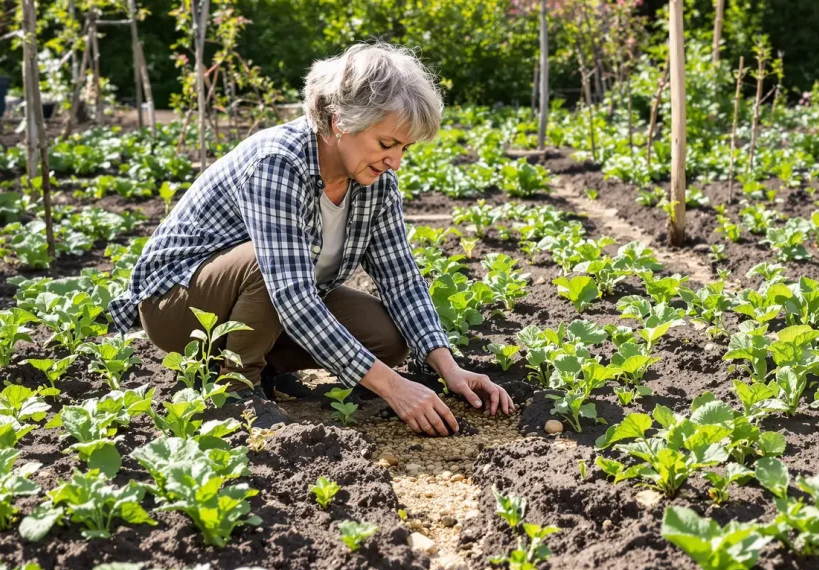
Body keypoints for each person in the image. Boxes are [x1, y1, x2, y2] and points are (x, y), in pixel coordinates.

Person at [107, 42, 514, 433]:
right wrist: (395, 389)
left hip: (265, 303)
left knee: (387, 338)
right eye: (386, 143)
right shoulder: (278, 164)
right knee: (261, 263)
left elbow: (401, 279)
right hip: (178, 307)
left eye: (404, 147)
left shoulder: (375, 182)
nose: (395, 161)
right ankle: (233, 391)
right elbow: (292, 295)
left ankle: (267, 367)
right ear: (340, 123)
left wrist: (448, 367)